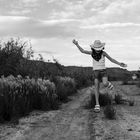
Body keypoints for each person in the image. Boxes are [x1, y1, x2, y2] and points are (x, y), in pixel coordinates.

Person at [72, 39, 127, 112]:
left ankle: (108, 84)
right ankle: (97, 105)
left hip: (103, 71)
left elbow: (111, 59)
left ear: (101, 48)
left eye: (99, 48)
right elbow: (83, 51)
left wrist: (120, 64)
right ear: (94, 48)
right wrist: (77, 44)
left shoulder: (103, 53)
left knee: (105, 83)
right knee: (96, 88)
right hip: (95, 72)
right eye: (96, 49)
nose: (98, 50)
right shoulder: (91, 53)